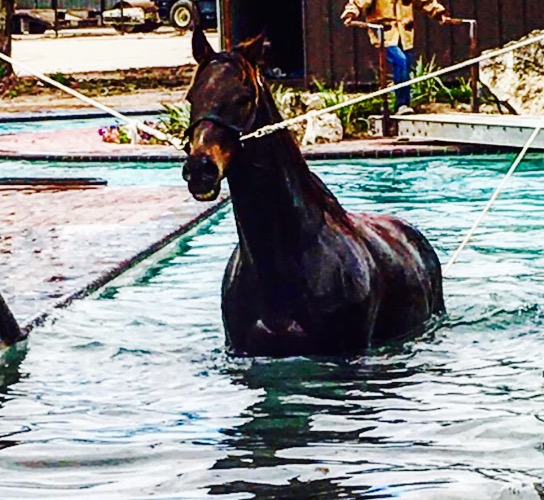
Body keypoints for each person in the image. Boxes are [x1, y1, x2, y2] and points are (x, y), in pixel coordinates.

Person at [341, 0, 451, 115]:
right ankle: (401, 104)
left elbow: (424, 1)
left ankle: (405, 104)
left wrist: (439, 13)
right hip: (385, 33)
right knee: (400, 60)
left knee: (406, 66)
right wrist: (350, 13)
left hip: (404, 33)